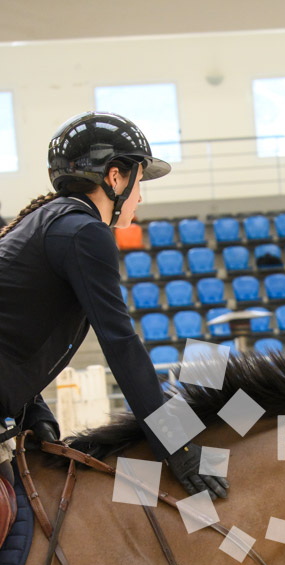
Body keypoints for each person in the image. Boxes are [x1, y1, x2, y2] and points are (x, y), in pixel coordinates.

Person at [0, 111, 227, 499]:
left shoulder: (53, 221)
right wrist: (176, 445)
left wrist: (32, 409)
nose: (141, 196)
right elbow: (121, 344)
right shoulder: (85, 231)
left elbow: (12, 329)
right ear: (116, 176)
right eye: (139, 182)